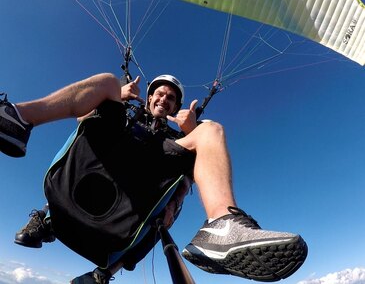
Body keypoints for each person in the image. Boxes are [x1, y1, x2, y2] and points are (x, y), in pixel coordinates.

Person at [0, 72, 308, 282]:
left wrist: (190, 131)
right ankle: (17, 120)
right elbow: (83, 119)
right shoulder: (121, 112)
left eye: (171, 98)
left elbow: (191, 179)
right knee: (108, 82)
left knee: (210, 130)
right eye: (159, 93)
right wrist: (117, 97)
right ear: (148, 98)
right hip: (85, 178)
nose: (164, 99)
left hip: (126, 218)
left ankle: (223, 226)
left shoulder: (178, 141)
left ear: (176, 107)